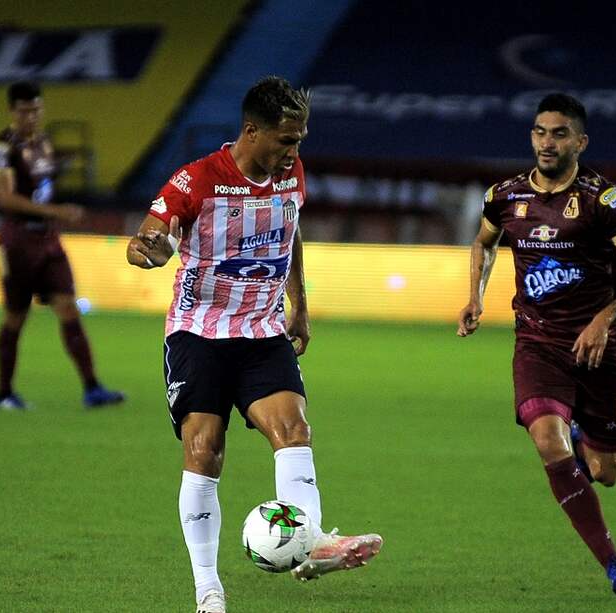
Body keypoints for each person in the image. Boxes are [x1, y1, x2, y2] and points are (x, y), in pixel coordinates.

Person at [126, 76, 382, 613]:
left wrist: (300, 304)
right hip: (199, 333)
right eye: (287, 139)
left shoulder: (292, 173)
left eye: (300, 139)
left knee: (294, 431)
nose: (295, 150)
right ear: (251, 131)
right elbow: (154, 236)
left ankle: (310, 546)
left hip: (263, 330)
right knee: (204, 450)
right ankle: (208, 589)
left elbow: (290, 233)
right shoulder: (197, 179)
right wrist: (150, 248)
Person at [457, 93, 616, 597]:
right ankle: (614, 564)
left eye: (560, 133)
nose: (548, 142)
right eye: (540, 132)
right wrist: (474, 298)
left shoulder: (603, 201)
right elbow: (484, 242)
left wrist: (604, 320)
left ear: (580, 141)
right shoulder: (504, 196)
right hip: (538, 341)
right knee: (549, 441)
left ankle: (574, 425)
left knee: (603, 471)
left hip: (599, 349)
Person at [0, 81, 124, 410]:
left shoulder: (44, 143)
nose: (31, 116)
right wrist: (56, 211)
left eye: (36, 109)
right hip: (17, 240)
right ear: (12, 111)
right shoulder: (2, 148)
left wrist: (54, 214)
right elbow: (6, 199)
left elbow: (42, 187)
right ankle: (4, 393)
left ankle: (92, 387)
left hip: (48, 239)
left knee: (67, 306)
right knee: (15, 317)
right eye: (24, 111)